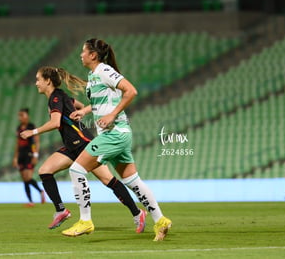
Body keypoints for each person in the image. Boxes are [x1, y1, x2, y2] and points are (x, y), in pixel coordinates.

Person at [63, 38, 172, 241]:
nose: (81, 55)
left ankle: (85, 221)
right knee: (132, 180)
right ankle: (161, 220)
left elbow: (131, 91)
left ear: (93, 55)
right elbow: (101, 101)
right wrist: (85, 111)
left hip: (115, 133)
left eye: (83, 51)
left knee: (76, 169)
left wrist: (112, 115)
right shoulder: (94, 75)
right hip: (116, 134)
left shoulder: (104, 70)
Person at [20, 66, 146, 232]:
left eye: (38, 79)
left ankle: (138, 214)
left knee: (108, 180)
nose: (36, 83)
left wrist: (33, 132)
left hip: (83, 144)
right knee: (45, 171)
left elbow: (55, 123)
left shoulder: (56, 97)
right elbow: (79, 105)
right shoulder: (60, 96)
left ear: (48, 81)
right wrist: (79, 113)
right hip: (71, 146)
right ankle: (61, 210)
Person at [13, 108, 45, 207]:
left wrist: (35, 155)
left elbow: (36, 141)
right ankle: (31, 201)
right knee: (24, 178)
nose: (20, 118)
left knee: (28, 177)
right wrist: (15, 157)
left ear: (27, 116)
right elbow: (17, 144)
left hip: (29, 154)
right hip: (21, 155)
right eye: (19, 115)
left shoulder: (31, 127)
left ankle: (40, 191)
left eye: (22, 115)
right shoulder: (19, 128)